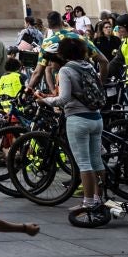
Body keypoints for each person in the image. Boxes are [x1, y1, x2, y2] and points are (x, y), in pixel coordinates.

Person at [42, 37, 103, 209]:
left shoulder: (66, 70)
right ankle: (99, 199)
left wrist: (45, 101)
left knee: (84, 163)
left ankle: (88, 203)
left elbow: (64, 99)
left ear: (63, 53)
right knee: (97, 161)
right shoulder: (88, 66)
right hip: (96, 118)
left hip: (78, 120)